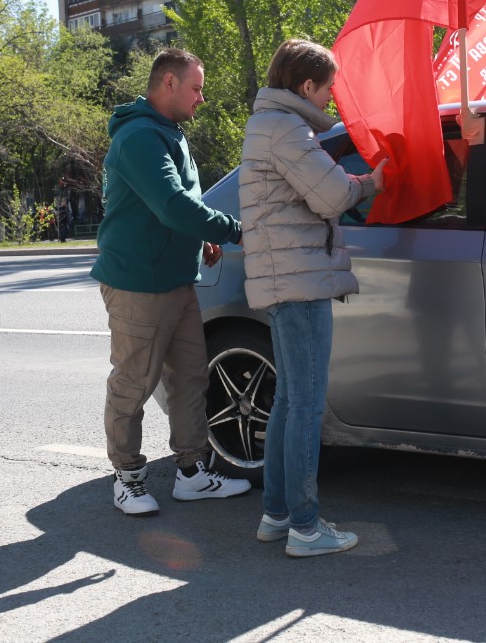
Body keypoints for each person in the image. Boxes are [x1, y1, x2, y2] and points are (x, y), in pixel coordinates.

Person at [238, 39, 388, 557]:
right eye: (328, 87)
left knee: (287, 401)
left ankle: (277, 515)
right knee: (305, 405)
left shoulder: (270, 124)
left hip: (286, 279)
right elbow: (331, 195)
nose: (330, 97)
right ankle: (305, 526)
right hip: (299, 282)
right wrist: (371, 182)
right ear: (307, 86)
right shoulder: (287, 129)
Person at [91, 47, 251, 516]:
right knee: (133, 383)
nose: (202, 98)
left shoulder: (168, 132)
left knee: (189, 380)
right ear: (168, 84)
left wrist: (199, 240)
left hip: (177, 279)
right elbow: (171, 205)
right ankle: (128, 478)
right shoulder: (140, 136)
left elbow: (174, 203)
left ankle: (192, 474)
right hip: (139, 284)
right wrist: (233, 230)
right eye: (196, 88)